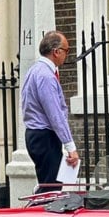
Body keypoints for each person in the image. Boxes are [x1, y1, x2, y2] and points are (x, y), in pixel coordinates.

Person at [21, 31, 79, 186]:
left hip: (36, 135)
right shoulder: (46, 76)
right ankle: (35, 207)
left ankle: (37, 199)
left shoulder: (34, 70)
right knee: (52, 188)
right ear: (56, 51)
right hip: (44, 136)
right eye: (66, 50)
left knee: (49, 184)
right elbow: (55, 114)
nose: (67, 54)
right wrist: (70, 146)